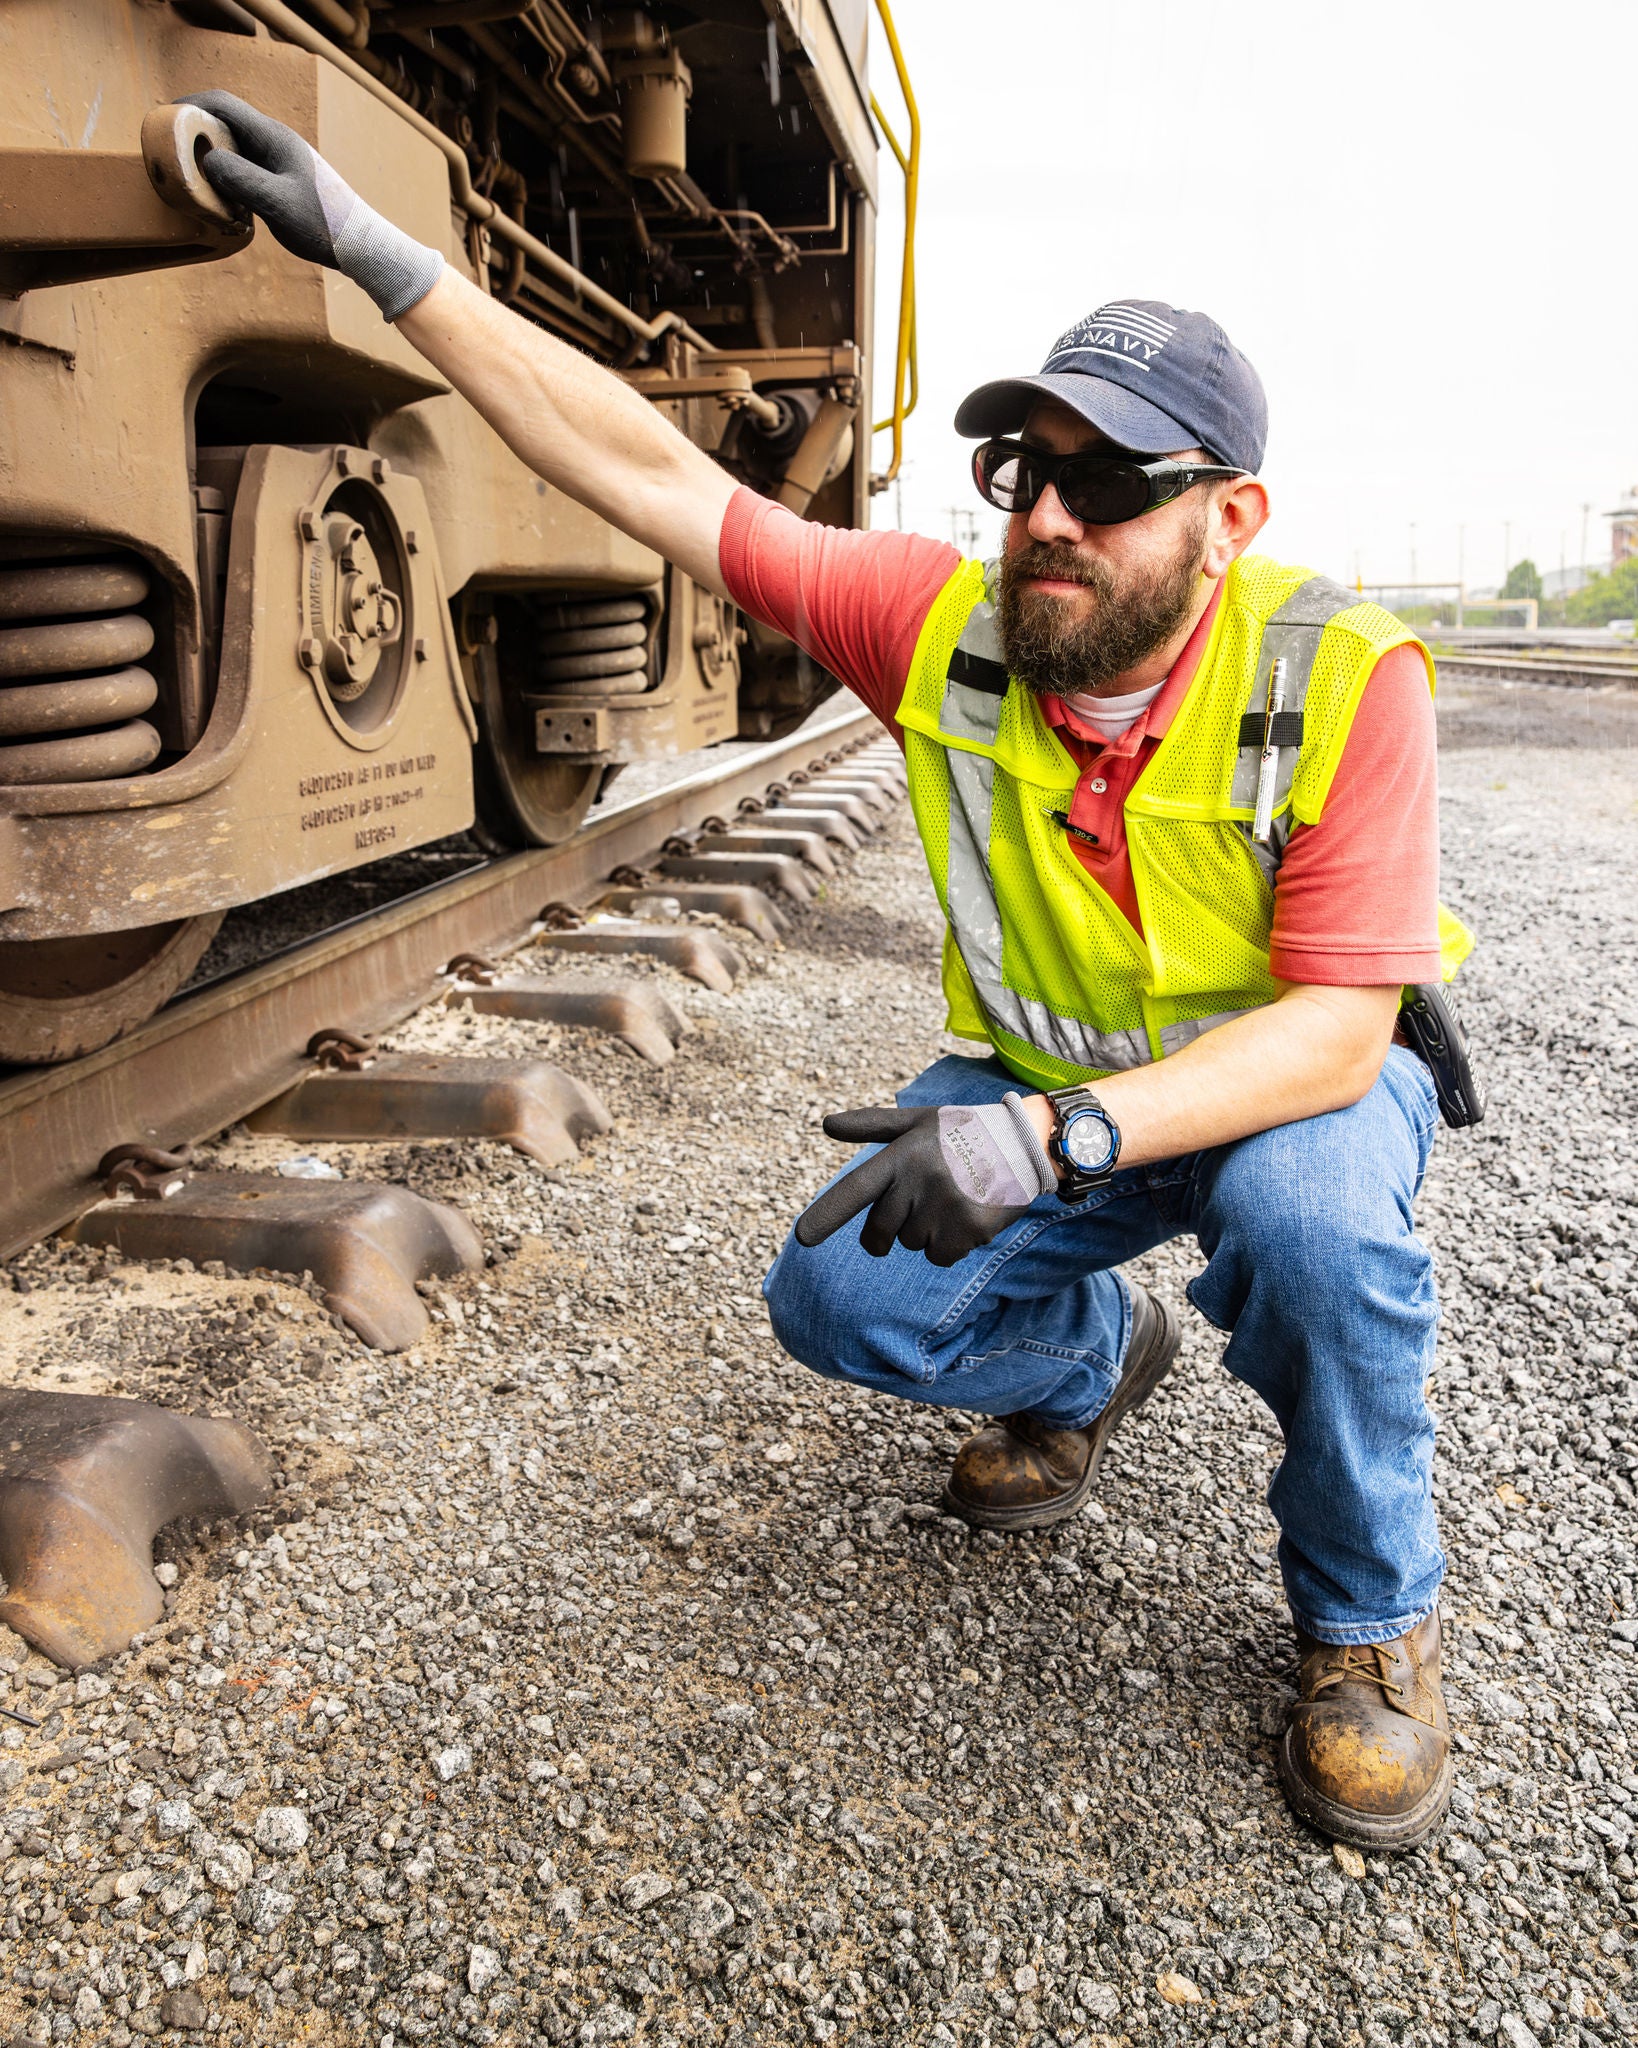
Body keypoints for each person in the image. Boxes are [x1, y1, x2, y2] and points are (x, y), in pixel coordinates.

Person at [189, 94, 1471, 1852]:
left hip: (1282, 1095)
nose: (1048, 522)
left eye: (1109, 484)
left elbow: (1336, 1032)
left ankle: (1365, 1617)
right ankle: (1092, 1359)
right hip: (1052, 1098)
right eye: (1027, 475)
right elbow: (648, 469)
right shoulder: (937, 621)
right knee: (842, 1301)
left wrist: (1050, 1144)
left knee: (1316, 1234)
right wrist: (385, 257)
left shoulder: (1341, 677)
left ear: (1225, 516)